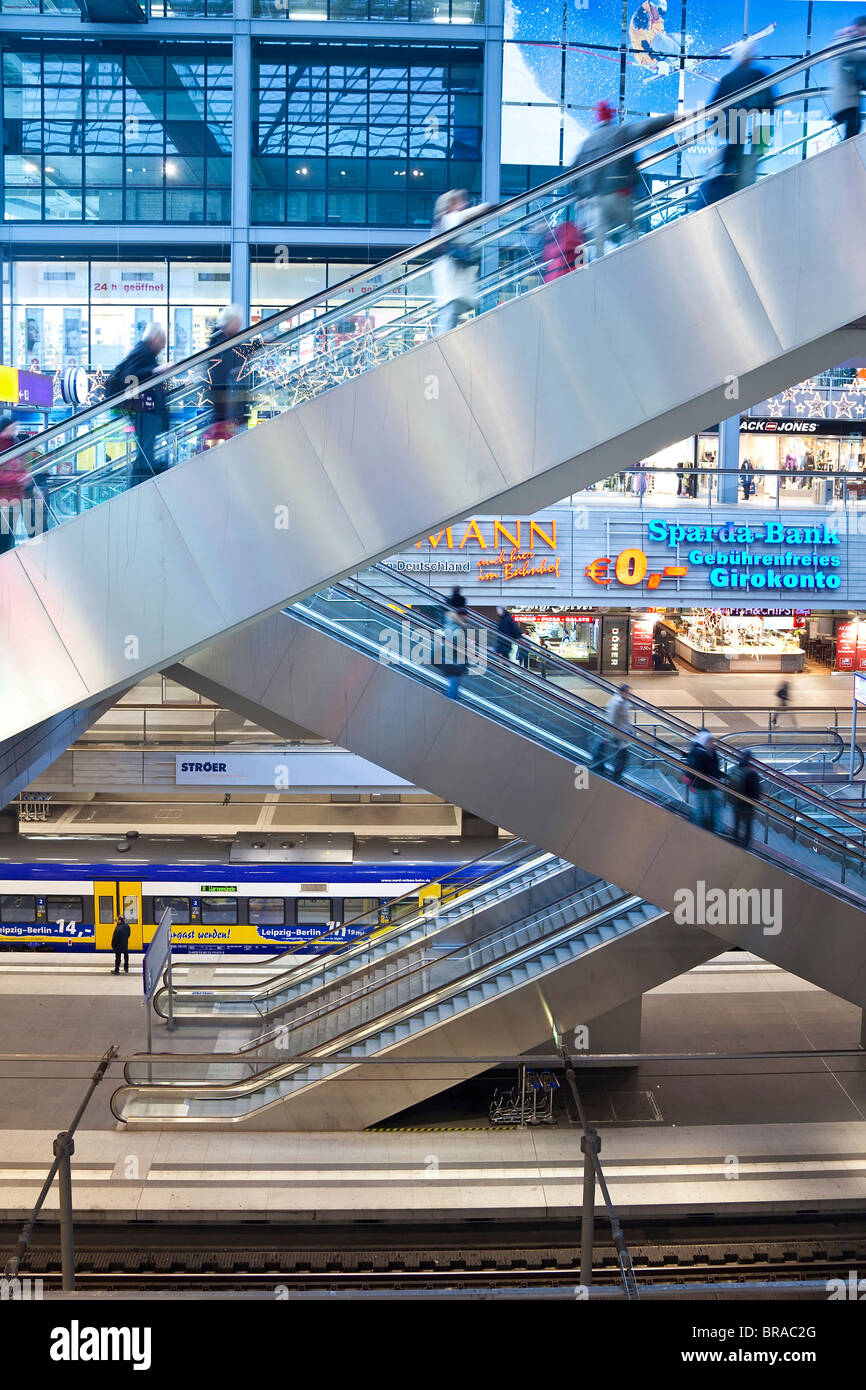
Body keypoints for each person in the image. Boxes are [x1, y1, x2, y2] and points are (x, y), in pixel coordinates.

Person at [573, 101, 677, 259]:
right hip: (620, 193)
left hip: (596, 199)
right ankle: (631, 259)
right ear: (612, 116)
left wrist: (580, 196)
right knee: (630, 228)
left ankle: (597, 264)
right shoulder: (620, 132)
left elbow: (574, 170)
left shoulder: (587, 143)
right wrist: (674, 117)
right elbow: (647, 126)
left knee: (599, 234)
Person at [104, 323, 169, 488]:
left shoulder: (145, 353)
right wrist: (155, 370)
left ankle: (140, 487)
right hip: (145, 413)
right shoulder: (142, 352)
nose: (163, 347)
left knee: (146, 454)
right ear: (155, 339)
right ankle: (136, 489)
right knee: (144, 455)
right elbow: (130, 377)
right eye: (162, 342)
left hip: (146, 413)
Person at [709, 43, 776, 197]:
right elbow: (772, 104)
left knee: (732, 169)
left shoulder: (727, 79)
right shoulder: (760, 74)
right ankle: (745, 199)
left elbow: (713, 109)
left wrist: (720, 131)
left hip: (734, 133)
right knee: (749, 171)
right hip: (758, 133)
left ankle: (730, 200)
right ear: (749, 58)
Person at [431, 191, 488, 334]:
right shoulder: (450, 218)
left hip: (449, 278)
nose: (465, 204)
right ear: (450, 204)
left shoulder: (440, 222)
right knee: (450, 315)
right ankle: (441, 348)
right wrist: (487, 207)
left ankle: (440, 346)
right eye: (460, 202)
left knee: (448, 314)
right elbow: (467, 215)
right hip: (452, 277)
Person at [202, 305, 247, 448]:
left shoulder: (224, 339)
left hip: (226, 399)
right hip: (224, 399)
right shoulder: (221, 341)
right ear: (231, 322)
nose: (239, 326)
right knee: (222, 433)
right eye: (238, 323)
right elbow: (227, 364)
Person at [0, 416, 34, 556]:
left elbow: (22, 467)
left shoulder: (15, 443)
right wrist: (19, 478)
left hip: (15, 498)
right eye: (13, 427)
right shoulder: (4, 446)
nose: (16, 430)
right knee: (3, 535)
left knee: (9, 534)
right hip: (3, 498)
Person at [831, 17, 866, 140]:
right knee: (854, 127)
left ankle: (844, 156)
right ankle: (843, 157)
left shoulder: (849, 42)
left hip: (849, 100)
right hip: (845, 100)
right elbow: (855, 54)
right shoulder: (845, 43)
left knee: (854, 127)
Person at [686, 729, 723, 833]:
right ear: (705, 741)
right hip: (702, 786)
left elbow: (715, 767)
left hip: (711, 785)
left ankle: (717, 827)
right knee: (701, 808)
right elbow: (699, 770)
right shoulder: (699, 753)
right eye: (711, 741)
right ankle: (699, 829)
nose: (713, 743)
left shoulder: (711, 752)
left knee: (715, 804)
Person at [594, 683, 632, 782]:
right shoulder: (617, 703)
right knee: (622, 756)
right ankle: (616, 777)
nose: (629, 695)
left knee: (619, 755)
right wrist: (612, 733)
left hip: (621, 733)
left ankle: (607, 771)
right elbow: (613, 720)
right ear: (622, 692)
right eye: (627, 693)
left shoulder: (622, 701)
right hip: (618, 734)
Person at [728, 749, 761, 848]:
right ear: (751, 759)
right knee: (747, 827)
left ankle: (735, 844)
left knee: (737, 825)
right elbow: (756, 792)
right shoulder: (752, 773)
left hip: (736, 803)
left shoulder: (735, 769)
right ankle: (745, 847)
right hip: (748, 805)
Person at [442, 586, 469, 698]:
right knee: (454, 678)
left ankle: (452, 696)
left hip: (452, 655)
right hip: (454, 656)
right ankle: (451, 698)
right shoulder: (456, 625)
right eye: (465, 616)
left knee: (454, 679)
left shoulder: (449, 621)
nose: (466, 618)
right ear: (461, 615)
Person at [541, 217, 586, 282]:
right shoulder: (550, 238)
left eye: (541, 223)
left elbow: (568, 245)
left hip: (569, 273)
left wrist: (551, 251)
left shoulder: (568, 228)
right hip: (560, 275)